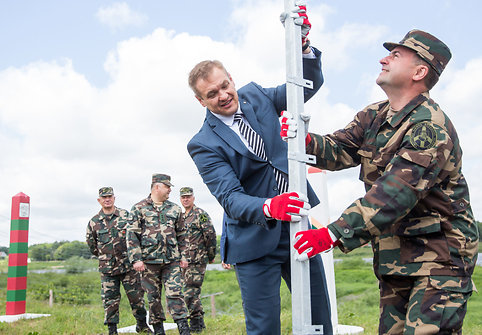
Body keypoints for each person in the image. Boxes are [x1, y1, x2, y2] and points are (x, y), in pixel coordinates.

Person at [288, 29, 479, 334]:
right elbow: (337, 151)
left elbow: (396, 193)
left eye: (395, 55)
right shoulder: (374, 116)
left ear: (419, 71)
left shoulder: (429, 127)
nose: (383, 59)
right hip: (396, 259)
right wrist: (300, 139)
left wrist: (334, 233)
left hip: (439, 262)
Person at [186, 5, 333, 335]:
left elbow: (302, 88)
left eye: (226, 85)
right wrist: (270, 205)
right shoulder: (203, 143)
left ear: (232, 79)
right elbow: (232, 199)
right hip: (253, 240)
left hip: (298, 226)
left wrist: (303, 46)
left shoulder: (256, 95)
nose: (225, 96)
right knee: (264, 328)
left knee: (318, 318)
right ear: (201, 101)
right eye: (212, 94)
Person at [127, 174, 191, 335]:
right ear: (157, 187)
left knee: (175, 293)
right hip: (148, 262)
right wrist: (136, 259)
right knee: (153, 297)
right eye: (167, 186)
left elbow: (182, 234)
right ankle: (158, 330)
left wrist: (184, 256)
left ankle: (184, 328)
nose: (170, 190)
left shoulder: (175, 209)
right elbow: (132, 235)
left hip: (172, 261)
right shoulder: (139, 208)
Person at [86, 187, 151, 335]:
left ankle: (142, 325)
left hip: (129, 267)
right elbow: (92, 245)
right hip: (107, 270)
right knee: (110, 301)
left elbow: (136, 236)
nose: (107, 199)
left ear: (114, 198)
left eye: (109, 196)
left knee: (137, 298)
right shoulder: (94, 222)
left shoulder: (126, 216)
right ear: (99, 200)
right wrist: (105, 257)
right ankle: (112, 330)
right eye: (104, 197)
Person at [179, 186, 217, 333]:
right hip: (184, 261)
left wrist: (210, 255)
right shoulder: (181, 216)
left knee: (190, 292)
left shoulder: (200, 214)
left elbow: (210, 236)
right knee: (191, 292)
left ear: (193, 198)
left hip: (197, 260)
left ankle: (195, 324)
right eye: (183, 197)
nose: (186, 199)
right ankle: (199, 322)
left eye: (188, 196)